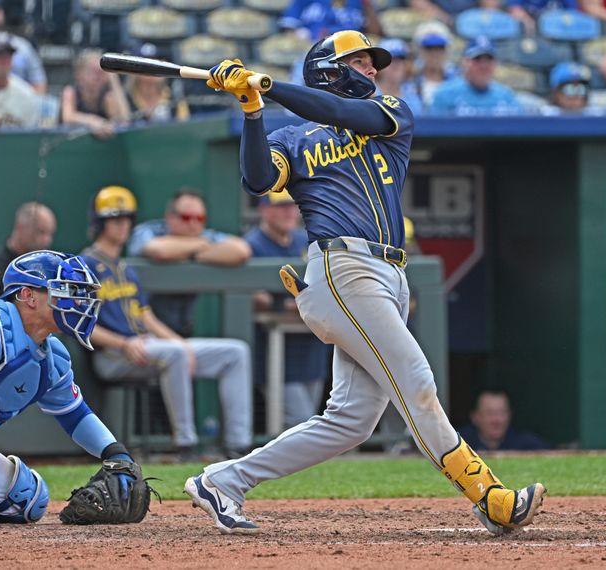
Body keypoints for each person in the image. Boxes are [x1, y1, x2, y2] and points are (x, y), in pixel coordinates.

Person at [185, 29, 545, 535]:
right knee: (416, 382)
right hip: (343, 269)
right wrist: (251, 109)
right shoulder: (293, 137)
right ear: (328, 69)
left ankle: (223, 481)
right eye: (359, 62)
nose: (372, 70)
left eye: (372, 63)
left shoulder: (390, 113)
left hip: (389, 273)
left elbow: (346, 114)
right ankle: (488, 495)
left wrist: (272, 88)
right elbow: (260, 180)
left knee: (351, 420)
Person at [0, 249, 138, 528]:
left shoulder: (50, 361)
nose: (76, 299)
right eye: (63, 289)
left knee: (26, 500)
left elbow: (76, 415)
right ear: (27, 295)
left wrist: (116, 454)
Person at [81, 185, 253, 459]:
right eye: (115, 219)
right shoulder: (84, 266)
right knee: (174, 354)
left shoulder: (125, 268)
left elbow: (146, 317)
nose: (123, 226)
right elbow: (80, 325)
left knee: (235, 352)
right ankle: (185, 444)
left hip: (147, 347)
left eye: (127, 219)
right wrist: (124, 343)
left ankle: (238, 444)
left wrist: (180, 343)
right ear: (100, 223)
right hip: (112, 355)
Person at [244, 191, 331, 429]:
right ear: (264, 210)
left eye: (292, 205)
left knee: (309, 419)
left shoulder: (305, 241)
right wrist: (287, 303)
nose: (289, 212)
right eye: (281, 206)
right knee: (299, 421)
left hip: (311, 347)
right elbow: (253, 294)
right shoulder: (252, 244)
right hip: (273, 350)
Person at [127, 188, 252, 338]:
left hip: (183, 331)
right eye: (186, 217)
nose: (193, 224)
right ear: (169, 217)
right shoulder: (148, 230)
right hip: (142, 332)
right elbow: (159, 251)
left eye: (199, 218)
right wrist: (198, 246)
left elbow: (241, 251)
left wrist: (188, 253)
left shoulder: (203, 236)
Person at [0, 202, 57, 301]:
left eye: (50, 234)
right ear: (20, 228)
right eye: (40, 232)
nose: (47, 240)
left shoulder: (50, 267)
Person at [430, 36, 522, 116]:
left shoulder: (506, 96)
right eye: (477, 59)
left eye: (489, 60)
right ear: (465, 62)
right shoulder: (445, 94)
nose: (483, 66)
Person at [60, 50, 131, 139]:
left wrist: (113, 81)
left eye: (100, 71)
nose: (97, 75)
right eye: (92, 70)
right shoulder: (70, 92)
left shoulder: (107, 98)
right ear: (79, 74)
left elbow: (124, 119)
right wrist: (93, 121)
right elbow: (68, 117)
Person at [459, 391, 550, 452]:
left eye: (502, 413)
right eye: (490, 413)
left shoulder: (529, 445)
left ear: (510, 415)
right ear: (475, 417)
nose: (496, 420)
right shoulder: (460, 444)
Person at [125, 43, 190, 123]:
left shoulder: (174, 97)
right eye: (147, 65)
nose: (154, 69)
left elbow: (185, 128)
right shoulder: (125, 98)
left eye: (158, 63)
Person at [278, 0, 381, 41]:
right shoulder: (306, 1)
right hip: (313, 49)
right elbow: (289, 28)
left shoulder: (357, 3)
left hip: (351, 50)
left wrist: (367, 5)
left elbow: (375, 33)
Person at [412, 21, 458, 110]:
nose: (435, 53)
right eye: (429, 48)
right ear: (419, 50)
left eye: (440, 48)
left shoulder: (458, 77)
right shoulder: (409, 77)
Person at [375, 38, 424, 115]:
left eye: (401, 59)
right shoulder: (369, 93)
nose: (396, 64)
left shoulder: (412, 93)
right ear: (378, 64)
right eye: (390, 59)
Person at [506, 0, 579, 34]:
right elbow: (515, 9)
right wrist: (525, 19)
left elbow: (572, 14)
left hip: (558, 32)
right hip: (531, 30)